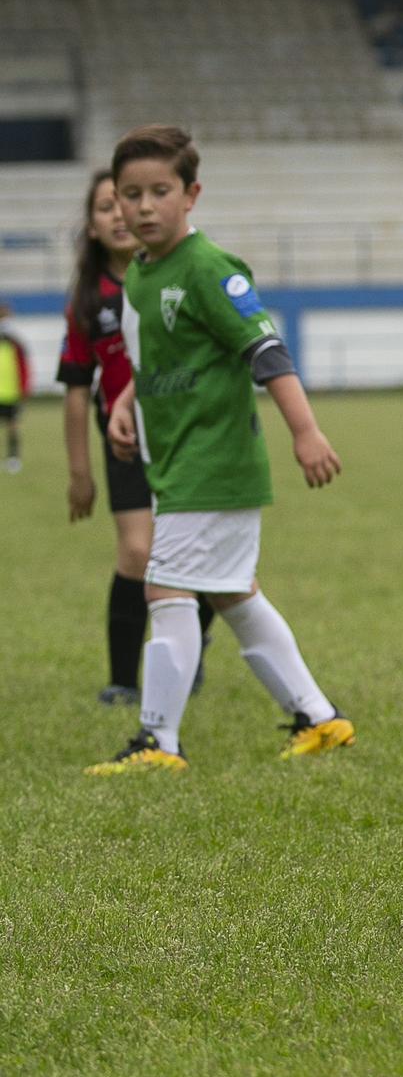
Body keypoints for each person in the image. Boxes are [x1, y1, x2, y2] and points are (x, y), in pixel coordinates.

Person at [86, 124, 353, 775]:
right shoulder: (143, 275)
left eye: (159, 191)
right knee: (233, 595)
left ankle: (158, 742)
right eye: (130, 194)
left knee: (167, 589)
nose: (143, 206)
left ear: (191, 194)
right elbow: (157, 358)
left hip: (213, 464)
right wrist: (124, 406)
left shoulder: (208, 268)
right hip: (176, 462)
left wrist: (305, 430)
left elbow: (264, 349)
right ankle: (320, 719)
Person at [57, 169, 215, 704]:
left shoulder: (180, 277)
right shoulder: (86, 300)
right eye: (103, 207)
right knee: (137, 552)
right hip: (124, 440)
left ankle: (190, 644)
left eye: (118, 203)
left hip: (187, 434)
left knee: (200, 553)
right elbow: (77, 390)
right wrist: (80, 472)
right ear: (94, 227)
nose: (117, 215)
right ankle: (124, 679)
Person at [0, 302, 31, 472]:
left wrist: (24, 388)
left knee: (12, 427)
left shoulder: (15, 343)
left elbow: (23, 367)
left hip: (11, 393)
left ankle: (13, 458)